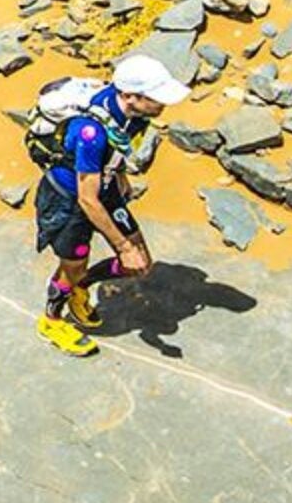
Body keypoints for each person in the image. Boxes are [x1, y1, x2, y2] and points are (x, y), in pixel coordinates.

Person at [34, 53, 189, 357]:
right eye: (156, 98)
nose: (163, 105)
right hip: (68, 203)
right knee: (72, 266)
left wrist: (118, 176)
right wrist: (123, 247)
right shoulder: (90, 133)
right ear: (130, 96)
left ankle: (82, 286)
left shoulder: (135, 114)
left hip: (103, 187)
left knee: (142, 264)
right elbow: (86, 199)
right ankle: (51, 322)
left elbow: (116, 149)